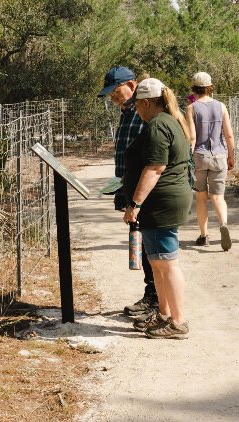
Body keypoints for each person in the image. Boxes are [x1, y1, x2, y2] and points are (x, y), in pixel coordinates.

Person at [122, 78, 192, 339]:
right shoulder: (168, 122)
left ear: (147, 102)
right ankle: (164, 315)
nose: (136, 111)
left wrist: (135, 204)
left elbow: (154, 168)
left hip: (161, 203)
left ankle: (178, 322)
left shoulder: (158, 126)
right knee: (157, 262)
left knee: (167, 263)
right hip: (158, 204)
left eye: (137, 105)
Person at [97, 66, 157, 317]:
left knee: (153, 247)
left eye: (116, 90)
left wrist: (138, 196)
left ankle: (156, 300)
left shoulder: (143, 112)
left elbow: (152, 157)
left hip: (146, 191)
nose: (113, 96)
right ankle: (151, 296)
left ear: (132, 85)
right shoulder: (126, 112)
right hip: (130, 187)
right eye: (109, 93)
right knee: (142, 244)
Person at [185, 71, 234, 251]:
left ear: (194, 88)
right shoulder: (221, 106)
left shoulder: (191, 108)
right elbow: (228, 135)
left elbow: (192, 138)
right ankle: (223, 224)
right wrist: (231, 156)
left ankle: (204, 235)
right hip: (219, 156)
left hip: (199, 156)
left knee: (200, 197)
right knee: (218, 196)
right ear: (210, 87)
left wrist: (188, 160)